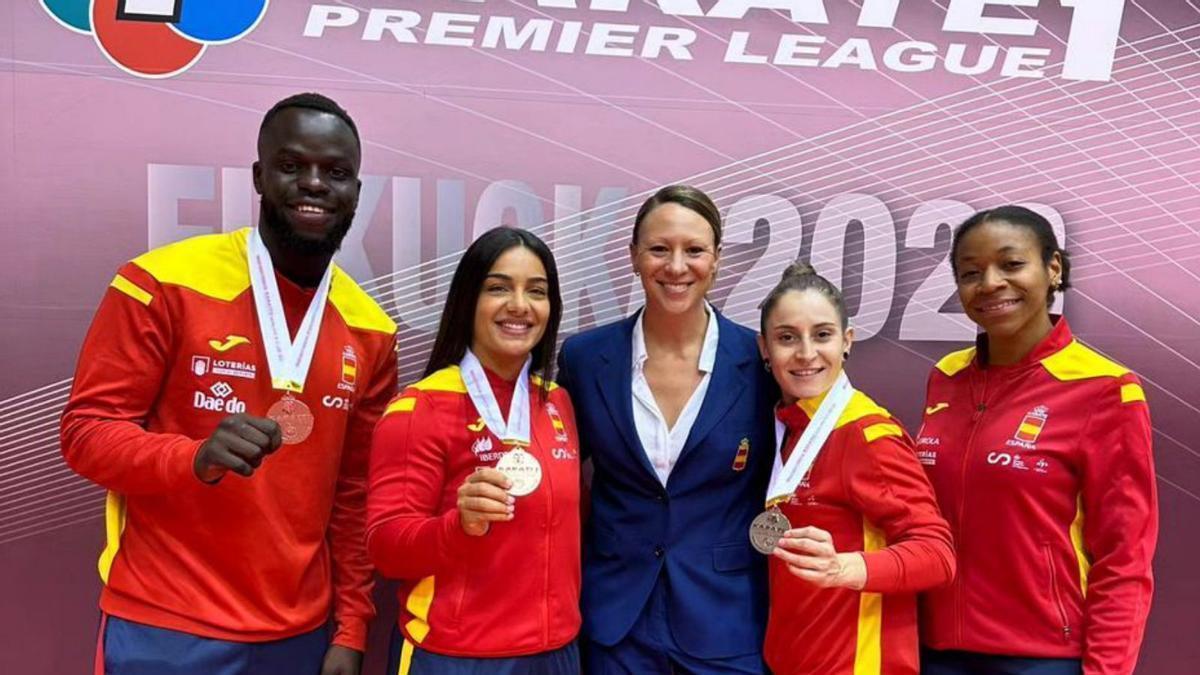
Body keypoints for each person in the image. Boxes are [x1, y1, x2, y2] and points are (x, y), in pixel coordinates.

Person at [59, 93, 397, 674]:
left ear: (356, 193)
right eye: (292, 166)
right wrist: (194, 458)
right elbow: (86, 436)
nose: (314, 184)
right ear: (260, 176)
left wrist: (350, 625)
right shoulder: (160, 283)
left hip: (300, 635)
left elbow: (353, 495)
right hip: (165, 626)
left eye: (335, 172)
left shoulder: (372, 330)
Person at [916, 206, 1157, 675]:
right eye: (971, 271)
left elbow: (1124, 558)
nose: (990, 283)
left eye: (1011, 264)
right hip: (936, 652)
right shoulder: (945, 377)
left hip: (1041, 658)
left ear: (1053, 269)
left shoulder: (1105, 389)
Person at [557, 185, 776, 673]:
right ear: (634, 256)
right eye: (659, 248)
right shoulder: (586, 358)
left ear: (717, 259)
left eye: (694, 250)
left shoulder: (761, 361)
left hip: (727, 618)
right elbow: (560, 475)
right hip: (616, 622)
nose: (676, 267)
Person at [367, 226, 581, 674]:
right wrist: (456, 527)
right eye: (498, 288)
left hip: (554, 652)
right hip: (455, 656)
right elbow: (386, 547)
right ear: (469, 300)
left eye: (536, 291)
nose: (519, 306)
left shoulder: (557, 401)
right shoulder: (420, 406)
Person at [754, 262, 955, 674]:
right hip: (794, 660)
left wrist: (844, 567)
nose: (806, 353)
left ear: (847, 341)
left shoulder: (868, 434)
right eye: (787, 338)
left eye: (822, 335)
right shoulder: (787, 425)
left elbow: (938, 555)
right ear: (764, 348)